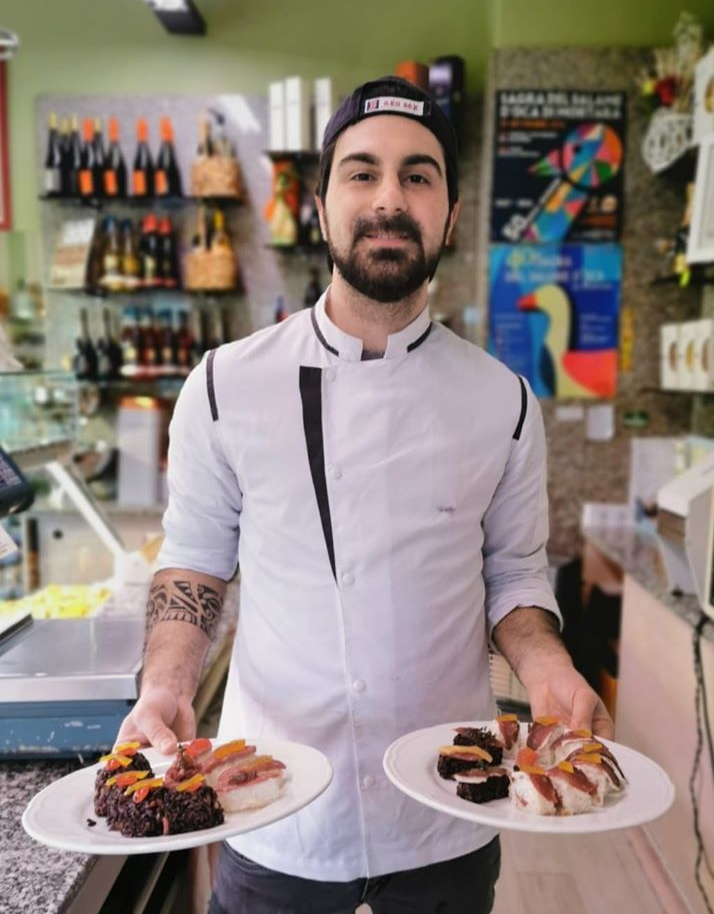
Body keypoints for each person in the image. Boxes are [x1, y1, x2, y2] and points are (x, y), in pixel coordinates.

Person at [117, 76, 613, 914]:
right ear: (321, 207)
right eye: (362, 172)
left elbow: (517, 575)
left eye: (418, 176)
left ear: (451, 214)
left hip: (447, 803)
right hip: (273, 805)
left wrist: (547, 661)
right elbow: (195, 566)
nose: (390, 198)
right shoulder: (224, 385)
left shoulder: (504, 400)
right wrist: (165, 685)